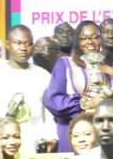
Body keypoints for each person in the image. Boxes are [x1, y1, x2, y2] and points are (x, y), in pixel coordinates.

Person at [0, 24, 56, 155]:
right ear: (8, 44)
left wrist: (51, 136)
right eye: (18, 43)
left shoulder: (43, 76)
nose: (23, 48)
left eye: (28, 44)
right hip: (3, 144)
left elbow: (49, 113)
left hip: (35, 143)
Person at [42, 20, 105, 151]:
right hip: (72, 132)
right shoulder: (65, 64)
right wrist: (84, 104)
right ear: (77, 41)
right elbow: (54, 100)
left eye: (95, 37)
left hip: (101, 133)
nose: (90, 42)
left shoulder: (107, 68)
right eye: (84, 38)